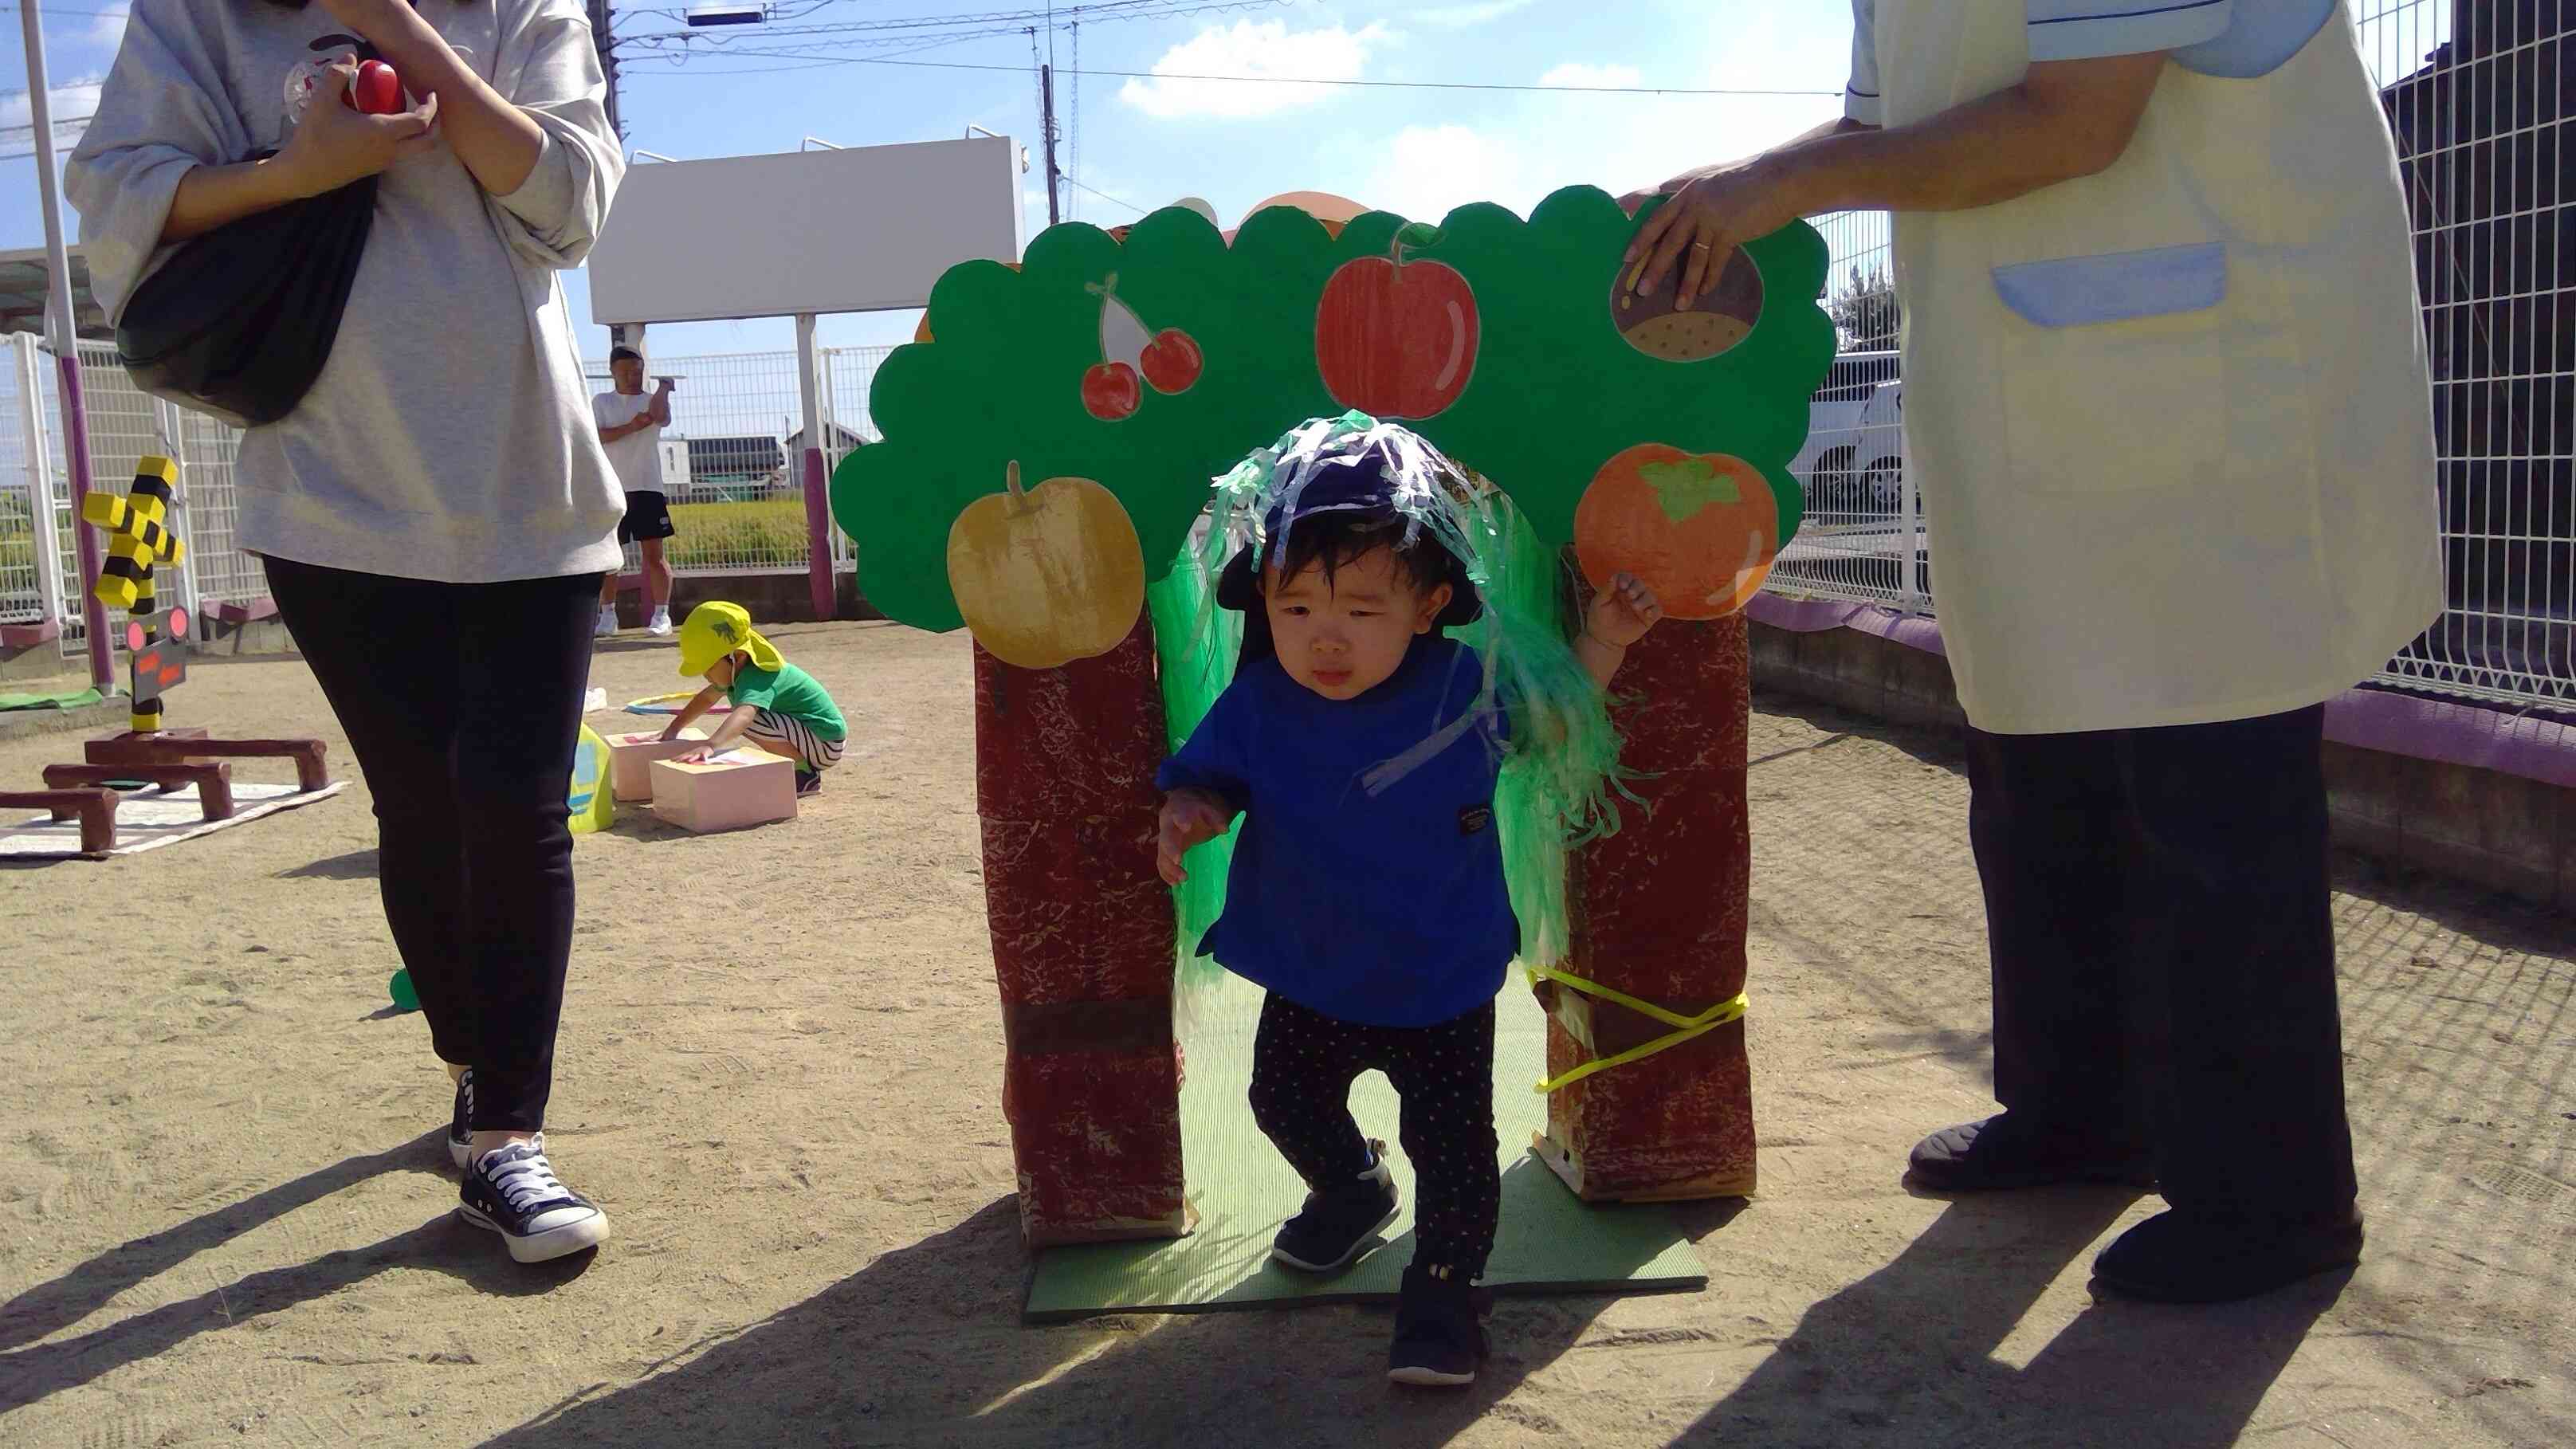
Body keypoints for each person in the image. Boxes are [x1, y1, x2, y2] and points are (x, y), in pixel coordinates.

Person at [1616, 1, 2439, 1302]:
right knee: (2035, 761)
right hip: (2040, 376)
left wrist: (1774, 186)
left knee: (2208, 790)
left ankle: (2273, 1200)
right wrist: (1698, 202)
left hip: (2212, 360)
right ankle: (2079, 1108)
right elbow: (1880, 131)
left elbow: (2076, 122)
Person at [69, 0, 629, 1265]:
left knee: (517, 803)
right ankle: (470, 1066)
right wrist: (298, 172)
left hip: (528, 487)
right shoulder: (200, 18)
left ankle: (506, 1137)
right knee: (423, 806)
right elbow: (113, 188)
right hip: (328, 496)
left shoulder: (519, 9)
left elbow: (572, 203)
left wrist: (398, 29)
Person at [1156, 418, 1665, 1386]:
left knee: (1455, 1151)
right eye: (1295, 607)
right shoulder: (1262, 701)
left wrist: (1602, 639)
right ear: (1263, 604)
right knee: (1282, 1101)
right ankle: (1351, 1189)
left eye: (1360, 608)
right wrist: (1187, 815)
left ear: (1430, 605)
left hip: (1439, 980)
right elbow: (1209, 778)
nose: (1326, 635)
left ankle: (1442, 1296)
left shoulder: (1459, 692)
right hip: (1312, 969)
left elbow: (1546, 722)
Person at [664, 601, 847, 796]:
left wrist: (710, 745)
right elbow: (707, 698)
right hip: (812, 737)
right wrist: (673, 728)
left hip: (826, 743)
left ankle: (803, 774)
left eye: (708, 668)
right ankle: (797, 767)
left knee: (748, 719)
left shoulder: (759, 675)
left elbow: (744, 716)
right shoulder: (737, 672)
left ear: (738, 657)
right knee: (746, 716)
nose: (706, 675)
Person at [593, 347, 677, 637]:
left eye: (638, 371)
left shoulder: (652, 402)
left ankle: (662, 615)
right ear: (613, 372)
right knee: (608, 558)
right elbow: (597, 436)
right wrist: (630, 426)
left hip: (648, 487)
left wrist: (664, 388)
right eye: (627, 371)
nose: (633, 377)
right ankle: (608, 616)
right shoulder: (601, 402)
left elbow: (660, 417)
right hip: (610, 489)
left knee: (654, 556)